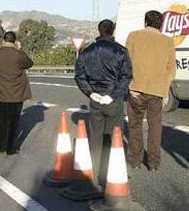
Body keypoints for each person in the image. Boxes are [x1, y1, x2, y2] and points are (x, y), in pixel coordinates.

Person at [75, 19, 133, 184]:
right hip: (113, 100)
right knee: (114, 136)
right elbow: (126, 76)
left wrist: (91, 93)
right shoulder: (121, 51)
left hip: (96, 100)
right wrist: (114, 94)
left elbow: (79, 76)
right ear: (113, 30)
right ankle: (110, 173)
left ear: (99, 31)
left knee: (96, 136)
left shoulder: (86, 52)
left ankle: (93, 169)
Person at [126, 10, 176, 171]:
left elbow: (126, 63)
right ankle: (154, 163)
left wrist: (129, 85)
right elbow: (171, 69)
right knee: (155, 127)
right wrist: (165, 88)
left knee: (135, 126)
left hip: (136, 90)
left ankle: (135, 161)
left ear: (145, 22)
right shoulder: (167, 41)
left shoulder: (133, 36)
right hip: (157, 91)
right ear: (160, 25)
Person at [0, 31, 34, 155]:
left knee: (1, 120)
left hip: (0, 92)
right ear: (15, 41)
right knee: (14, 120)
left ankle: (1, 146)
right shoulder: (19, 54)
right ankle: (11, 148)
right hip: (17, 93)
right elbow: (29, 63)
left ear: (3, 41)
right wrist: (19, 49)